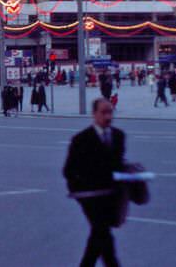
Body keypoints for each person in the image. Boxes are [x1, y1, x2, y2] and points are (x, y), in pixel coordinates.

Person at [63, 98, 126, 267]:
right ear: (94, 114)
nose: (108, 116)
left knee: (101, 236)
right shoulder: (81, 139)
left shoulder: (119, 136)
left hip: (111, 196)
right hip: (89, 197)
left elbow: (118, 165)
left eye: (110, 112)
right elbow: (68, 170)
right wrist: (80, 192)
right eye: (103, 112)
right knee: (102, 232)